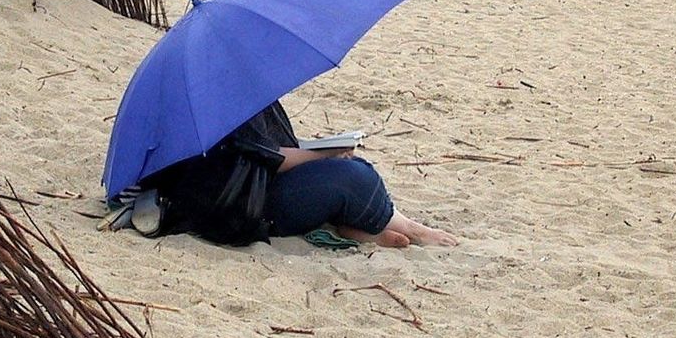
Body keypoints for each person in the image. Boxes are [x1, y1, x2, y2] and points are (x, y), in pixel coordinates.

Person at [145, 100, 457, 248]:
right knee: (353, 177)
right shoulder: (230, 103)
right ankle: (413, 230)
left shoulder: (237, 94)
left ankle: (360, 230)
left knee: (353, 169)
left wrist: (326, 151)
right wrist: (324, 153)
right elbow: (271, 158)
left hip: (257, 188)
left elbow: (271, 150)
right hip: (251, 205)